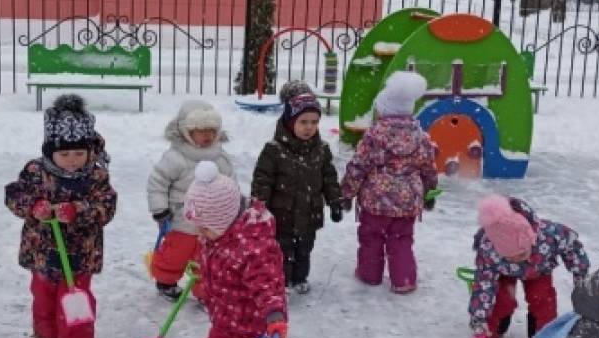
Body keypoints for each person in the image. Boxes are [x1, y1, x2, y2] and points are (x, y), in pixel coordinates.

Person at [183, 160, 300, 338]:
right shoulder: (219, 236)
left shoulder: (254, 246)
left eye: (204, 228)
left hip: (256, 324)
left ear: (223, 219)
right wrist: (202, 269)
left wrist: (274, 315)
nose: (200, 234)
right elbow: (215, 256)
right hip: (225, 316)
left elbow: (268, 285)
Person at [5, 94, 116, 338]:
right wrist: (33, 206)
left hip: (80, 255)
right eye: (64, 153)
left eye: (79, 153)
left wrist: (79, 210)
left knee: (76, 302)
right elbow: (14, 195)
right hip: (42, 252)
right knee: (43, 298)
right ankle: (45, 335)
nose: (72, 159)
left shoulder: (96, 176)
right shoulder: (35, 171)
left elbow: (107, 206)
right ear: (49, 151)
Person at [339, 70, 437, 293]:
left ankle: (369, 274)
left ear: (383, 109)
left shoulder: (374, 135)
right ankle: (403, 280)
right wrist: (430, 190)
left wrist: (346, 192)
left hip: (376, 201)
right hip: (407, 201)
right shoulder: (420, 136)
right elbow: (428, 167)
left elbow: (359, 165)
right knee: (402, 239)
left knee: (371, 237)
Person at [250, 80, 342, 294]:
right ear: (290, 122)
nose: (309, 127)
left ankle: (300, 278)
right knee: (282, 250)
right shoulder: (274, 150)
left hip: (309, 213)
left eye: (314, 122)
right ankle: (281, 281)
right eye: (303, 122)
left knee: (304, 249)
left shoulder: (321, 149)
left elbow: (329, 177)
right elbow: (262, 179)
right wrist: (258, 205)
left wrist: (335, 201)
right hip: (281, 214)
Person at [470, 195, 589, 338]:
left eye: (521, 254)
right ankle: (492, 328)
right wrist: (479, 317)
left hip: (539, 269)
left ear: (531, 239)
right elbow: (483, 285)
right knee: (503, 299)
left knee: (542, 299)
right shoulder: (489, 251)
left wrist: (579, 271)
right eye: (510, 256)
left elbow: (572, 246)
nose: (516, 259)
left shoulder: (548, 235)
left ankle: (542, 335)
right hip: (505, 273)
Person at [147, 100, 233, 300]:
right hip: (181, 219)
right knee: (176, 253)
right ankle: (166, 279)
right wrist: (160, 208)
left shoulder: (220, 157)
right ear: (187, 132)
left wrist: (231, 209)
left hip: (211, 222)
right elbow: (157, 182)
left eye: (212, 130)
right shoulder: (176, 157)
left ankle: (205, 291)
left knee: (206, 258)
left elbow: (231, 185)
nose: (208, 136)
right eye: (201, 131)